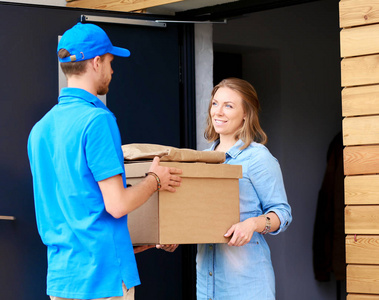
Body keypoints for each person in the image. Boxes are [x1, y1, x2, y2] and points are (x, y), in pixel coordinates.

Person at [27, 22, 182, 300]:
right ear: (96, 62)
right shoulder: (97, 120)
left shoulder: (40, 129)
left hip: (62, 279)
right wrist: (154, 180)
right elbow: (117, 205)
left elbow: (77, 209)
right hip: (103, 280)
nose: (112, 70)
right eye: (110, 62)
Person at [196, 78, 292, 300]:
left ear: (246, 114)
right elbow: (197, 214)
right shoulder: (202, 159)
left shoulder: (258, 158)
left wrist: (253, 224)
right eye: (215, 104)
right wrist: (174, 234)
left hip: (247, 284)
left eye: (229, 106)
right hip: (206, 282)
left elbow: (282, 213)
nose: (218, 112)